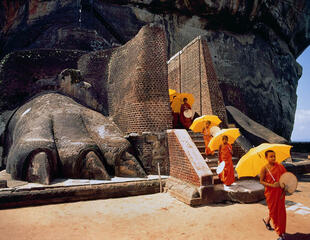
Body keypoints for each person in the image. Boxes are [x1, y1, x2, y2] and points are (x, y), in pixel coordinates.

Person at [260, 150, 287, 240]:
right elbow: (261, 181)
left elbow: (285, 177)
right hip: (271, 193)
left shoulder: (280, 166)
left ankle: (281, 232)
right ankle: (279, 232)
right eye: (271, 156)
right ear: (266, 158)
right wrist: (272, 185)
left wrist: (284, 188)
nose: (273, 158)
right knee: (274, 211)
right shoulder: (264, 168)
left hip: (280, 192)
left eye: (274, 156)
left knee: (281, 212)